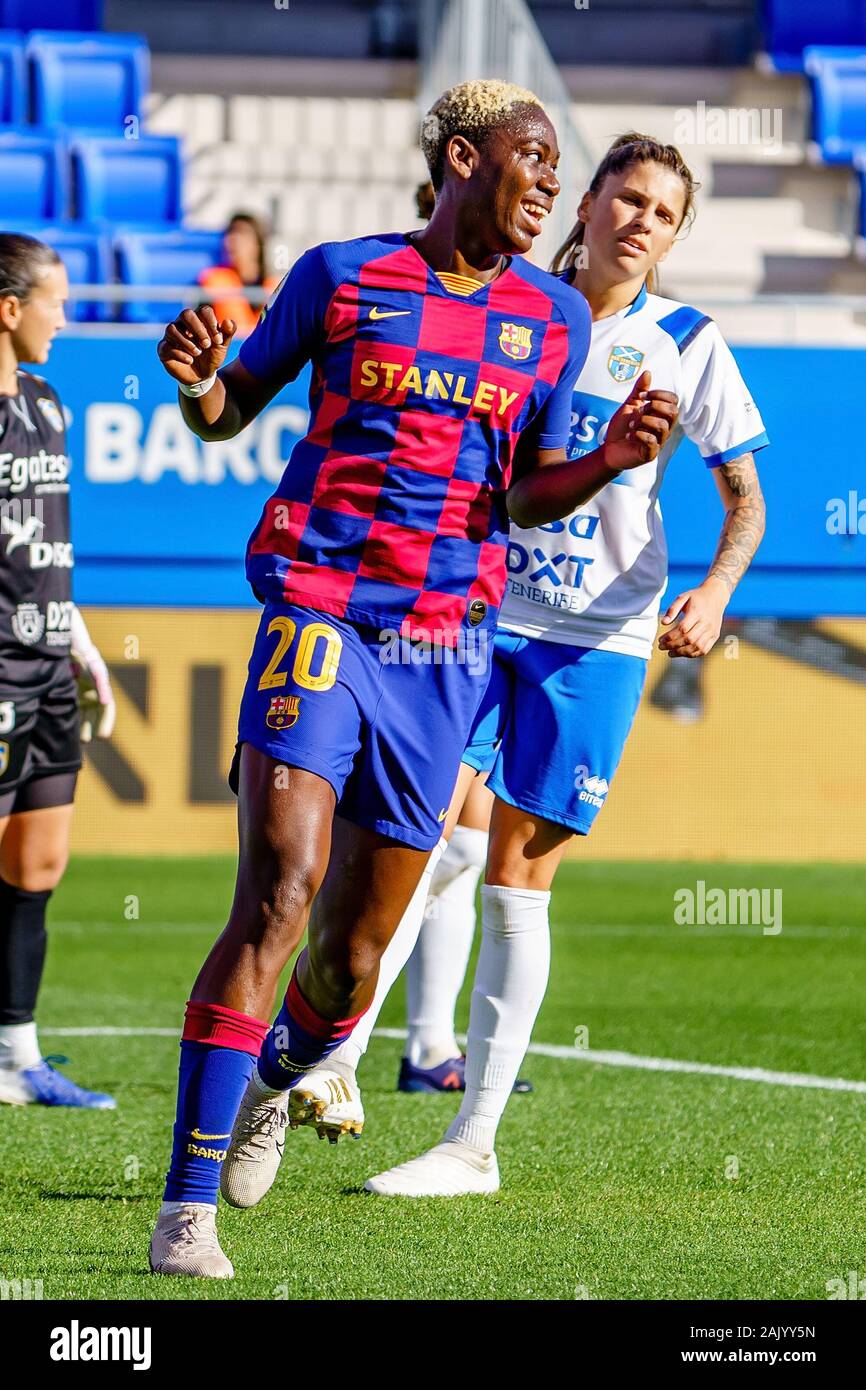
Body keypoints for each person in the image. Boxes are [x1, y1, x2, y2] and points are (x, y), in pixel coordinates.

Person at [148, 82, 676, 1279]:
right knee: (279, 891)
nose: (551, 183)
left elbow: (524, 491)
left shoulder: (550, 318)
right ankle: (184, 1211)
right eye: (532, 161)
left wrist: (602, 458)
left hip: (446, 649)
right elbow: (234, 409)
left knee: (346, 964)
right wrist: (197, 382)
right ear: (460, 157)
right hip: (320, 611)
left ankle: (279, 1074)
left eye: (557, 168)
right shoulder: (340, 277)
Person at [290, 130, 768, 1195]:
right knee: (411, 838)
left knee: (516, 875)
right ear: (586, 201)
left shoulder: (686, 339)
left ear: (675, 234)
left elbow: (745, 498)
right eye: (625, 197)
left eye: (662, 211)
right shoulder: (520, 313)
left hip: (594, 636)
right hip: (470, 612)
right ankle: (335, 1056)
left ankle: (471, 1144)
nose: (639, 220)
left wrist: (716, 588)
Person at [0, 233, 117, 1110]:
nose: (64, 318)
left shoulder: (47, 402)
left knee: (38, 864)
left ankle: (16, 1055)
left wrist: (77, 640)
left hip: (46, 668)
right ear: (10, 309)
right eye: (56, 301)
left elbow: (46, 541)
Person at [197, 212, 279, 338]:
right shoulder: (211, 281)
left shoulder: (276, 287)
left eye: (242, 234)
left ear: (257, 243)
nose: (232, 240)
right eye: (230, 234)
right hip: (228, 352)